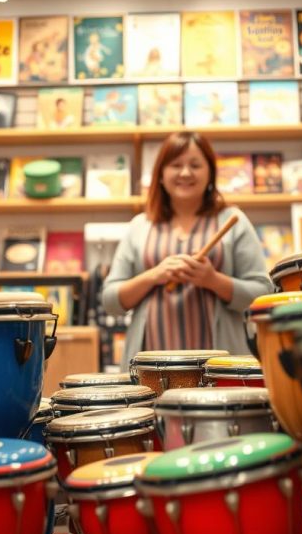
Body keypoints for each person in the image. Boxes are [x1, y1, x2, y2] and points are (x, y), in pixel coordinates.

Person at [101, 131, 271, 365]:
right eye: (175, 165)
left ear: (210, 172)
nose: (185, 173)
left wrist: (212, 279)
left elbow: (262, 294)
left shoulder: (233, 220)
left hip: (221, 367)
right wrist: (154, 276)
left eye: (195, 165)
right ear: (160, 174)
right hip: (150, 368)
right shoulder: (140, 226)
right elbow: (110, 301)